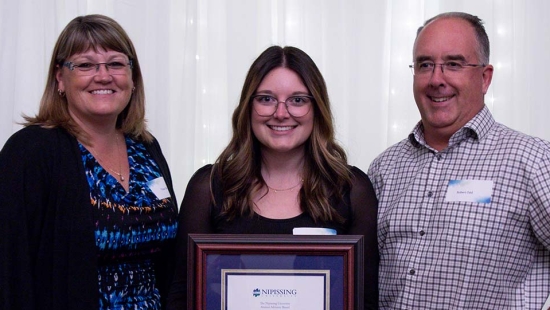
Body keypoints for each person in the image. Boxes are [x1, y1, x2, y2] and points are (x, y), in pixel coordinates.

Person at [167, 46, 378, 309]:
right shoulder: (209, 187)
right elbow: (181, 294)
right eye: (266, 99)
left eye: (298, 100)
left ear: (317, 108)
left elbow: (364, 298)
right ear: (248, 106)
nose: (280, 113)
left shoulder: (351, 188)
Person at [368, 12, 550, 309]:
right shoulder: (385, 168)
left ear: (485, 77)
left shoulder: (532, 162)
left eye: (453, 64)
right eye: (425, 65)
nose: (437, 79)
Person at [0, 14, 178, 310]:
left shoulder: (146, 149)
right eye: (85, 65)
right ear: (60, 78)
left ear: (132, 78)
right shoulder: (31, 152)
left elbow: (168, 263)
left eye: (116, 64)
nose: (103, 76)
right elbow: (8, 268)